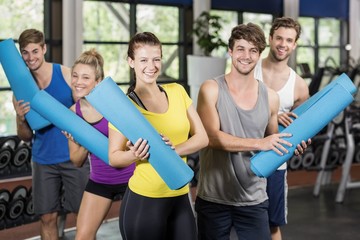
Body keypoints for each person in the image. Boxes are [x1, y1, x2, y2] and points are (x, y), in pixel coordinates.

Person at [195, 23, 307, 240]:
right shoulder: (211, 89)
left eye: (253, 50)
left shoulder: (271, 97)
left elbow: (273, 144)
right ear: (230, 51)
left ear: (259, 54)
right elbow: (210, 137)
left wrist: (292, 147)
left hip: (254, 197)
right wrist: (258, 143)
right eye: (241, 49)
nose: (246, 56)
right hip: (214, 198)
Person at [108, 31, 209, 240]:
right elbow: (114, 157)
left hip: (180, 194)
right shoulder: (124, 107)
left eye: (156, 59)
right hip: (145, 199)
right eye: (143, 60)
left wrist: (173, 149)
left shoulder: (177, 91)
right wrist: (136, 154)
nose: (151, 66)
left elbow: (202, 138)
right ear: (131, 62)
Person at [12, 29, 89, 239]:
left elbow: (86, 110)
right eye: (25, 53)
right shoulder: (20, 89)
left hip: (73, 158)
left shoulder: (65, 74)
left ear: (44, 48)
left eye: (35, 51)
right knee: (47, 218)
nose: (31, 57)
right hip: (43, 160)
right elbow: (26, 136)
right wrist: (20, 118)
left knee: (84, 216)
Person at [64, 48, 135, 240]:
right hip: (100, 180)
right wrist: (82, 139)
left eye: (85, 78)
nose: (78, 82)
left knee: (134, 234)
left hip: (132, 179)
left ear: (98, 81)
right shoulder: (73, 113)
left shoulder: (115, 104)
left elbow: (132, 141)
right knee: (83, 236)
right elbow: (76, 161)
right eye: (75, 76)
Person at [254, 17, 310, 240]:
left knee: (272, 226)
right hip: (241, 158)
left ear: (294, 45)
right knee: (240, 221)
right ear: (270, 39)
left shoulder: (299, 85)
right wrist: (275, 115)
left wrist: (302, 143)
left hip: (275, 164)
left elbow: (302, 130)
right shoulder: (249, 68)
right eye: (279, 38)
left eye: (289, 40)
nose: (283, 44)